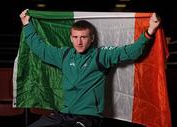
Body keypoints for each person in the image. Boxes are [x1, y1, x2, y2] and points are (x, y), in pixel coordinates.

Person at [20, 9, 161, 127]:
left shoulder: (101, 55)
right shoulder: (64, 55)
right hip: (64, 114)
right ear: (70, 38)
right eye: (75, 37)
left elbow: (130, 51)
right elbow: (40, 48)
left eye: (83, 37)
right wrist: (27, 24)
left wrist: (150, 30)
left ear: (92, 38)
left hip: (88, 118)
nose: (79, 42)